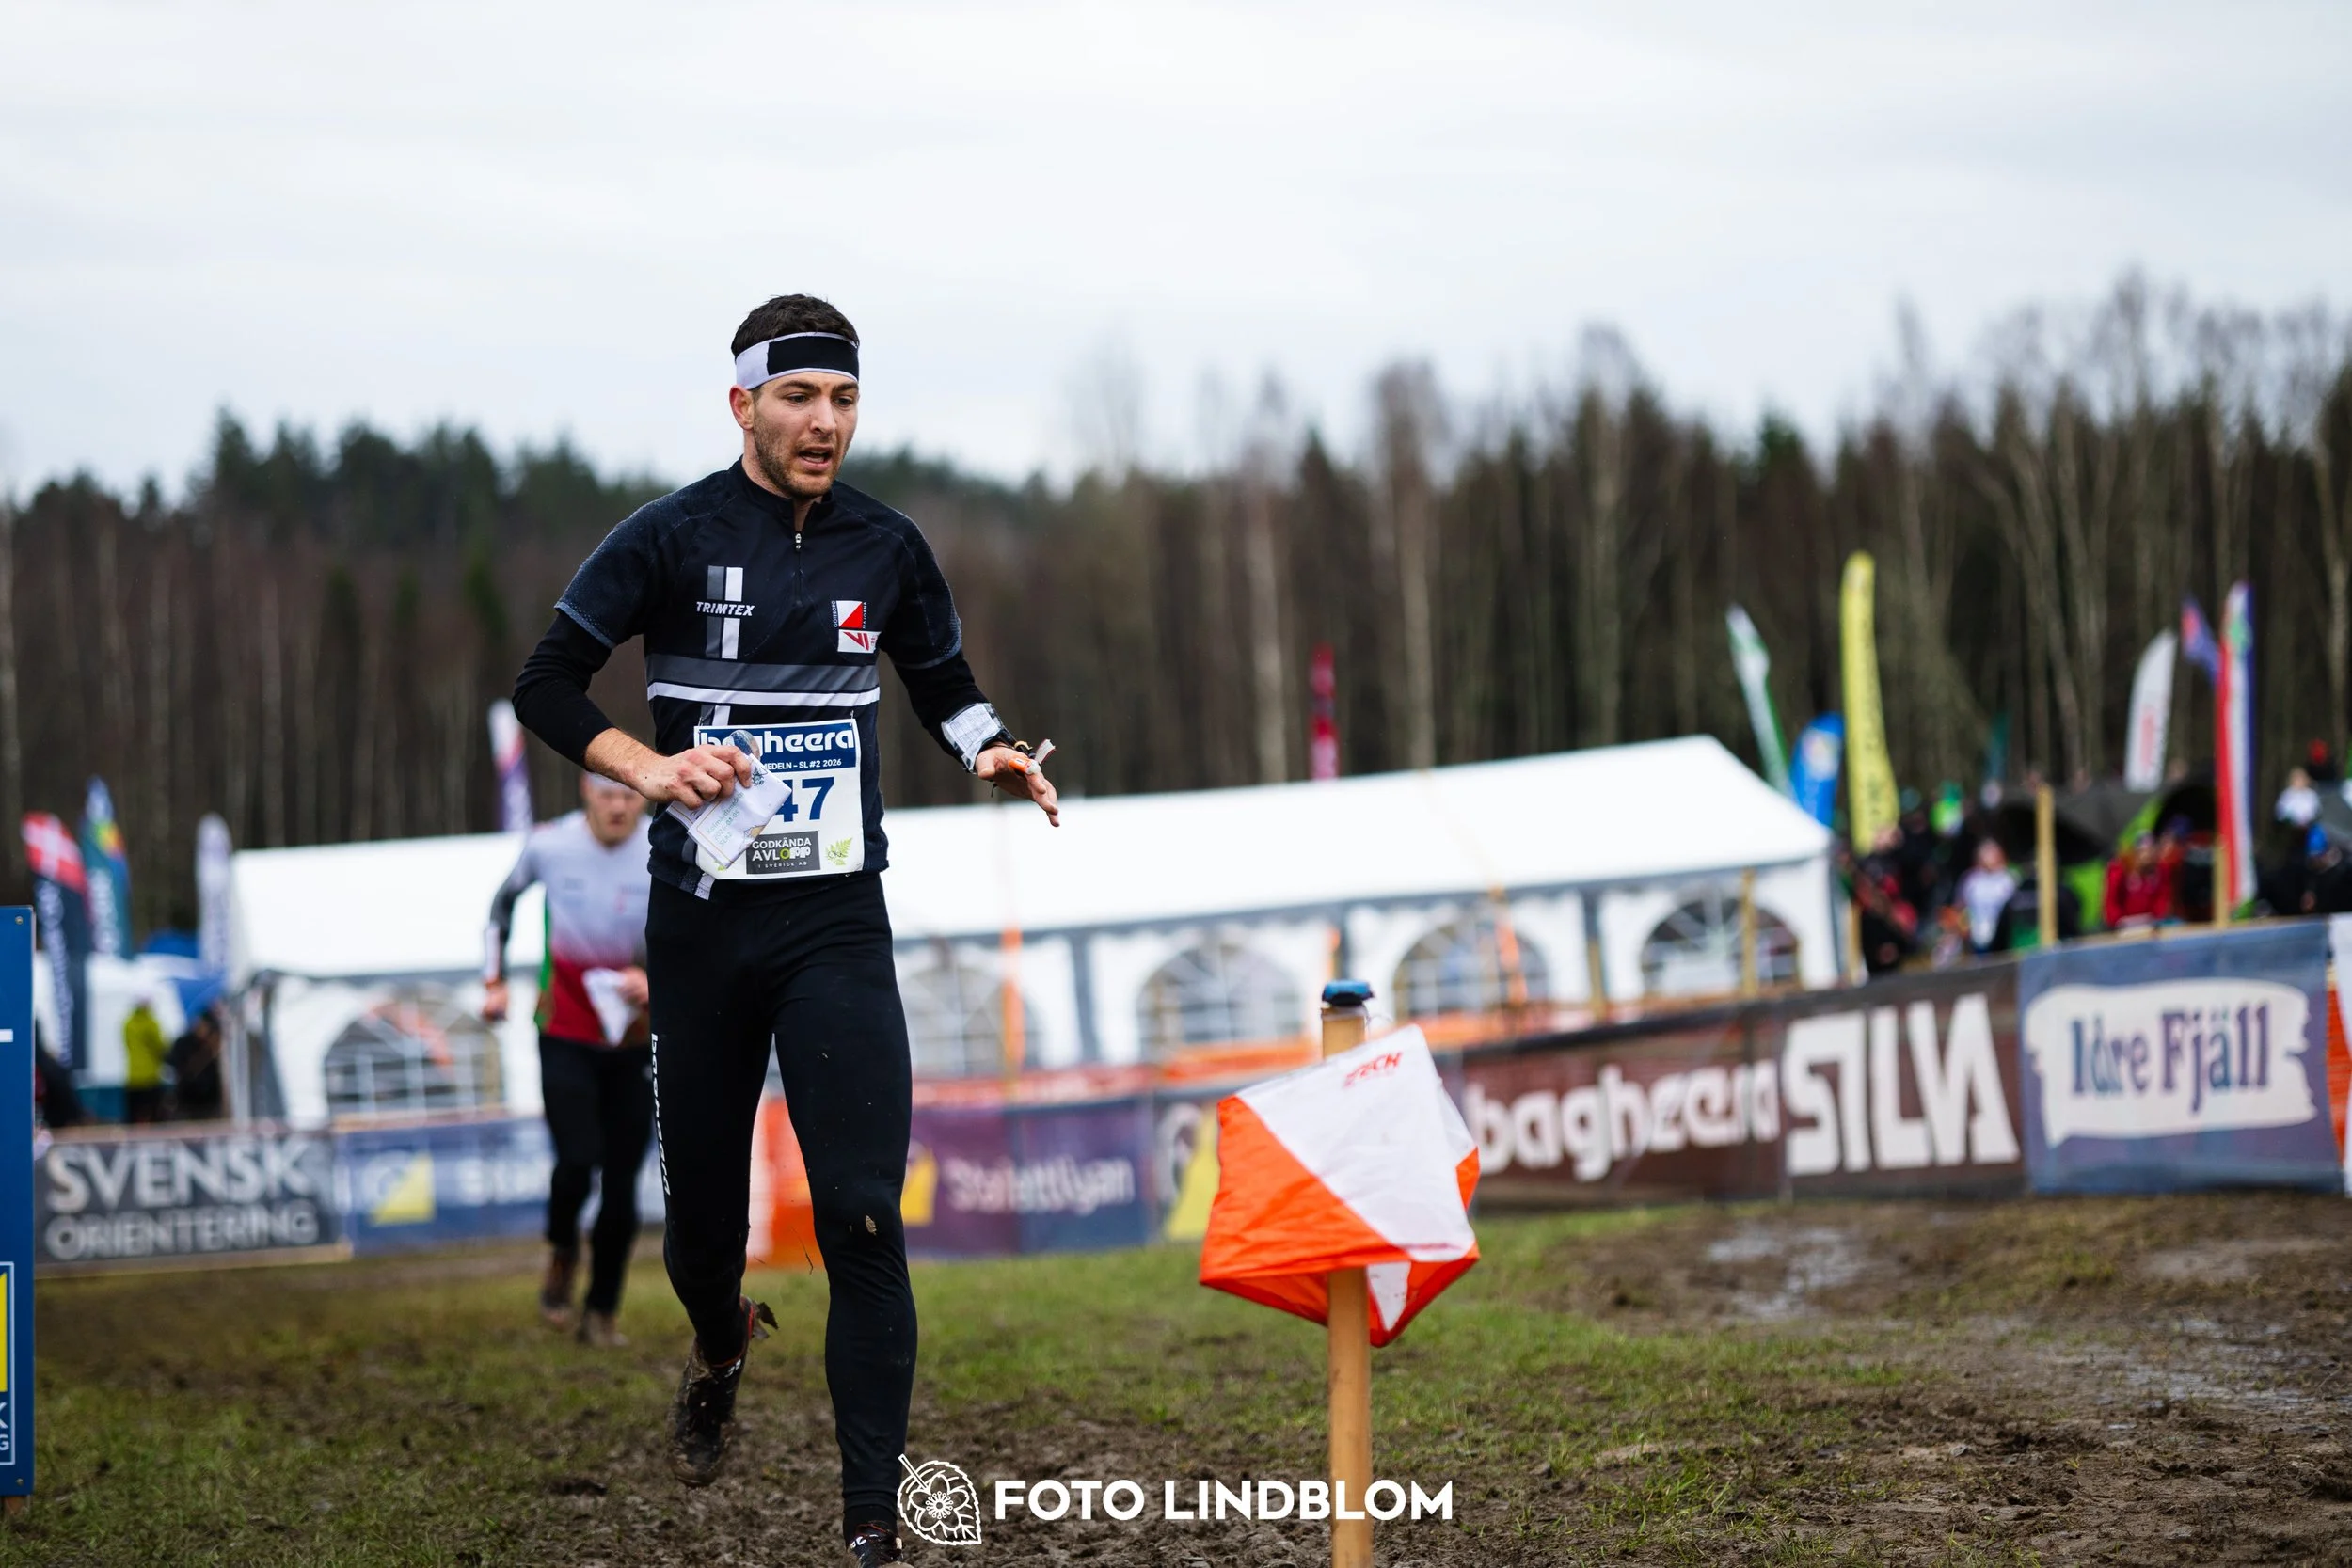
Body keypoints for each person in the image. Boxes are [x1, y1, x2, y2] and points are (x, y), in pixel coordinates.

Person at [508, 293, 1058, 1568]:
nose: (826, 422)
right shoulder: (669, 534)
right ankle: (715, 1342)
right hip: (700, 927)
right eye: (801, 396)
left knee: (863, 1209)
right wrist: (644, 766)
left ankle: (872, 1519)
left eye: (846, 399)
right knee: (703, 1231)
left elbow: (942, 682)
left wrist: (995, 749)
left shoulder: (890, 544)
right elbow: (543, 679)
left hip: (835, 923)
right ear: (743, 400)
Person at [483, 772, 656, 1350]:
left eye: (628, 797)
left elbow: (697, 933)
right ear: (585, 793)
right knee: (578, 1159)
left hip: (634, 1039)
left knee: (625, 1182)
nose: (617, 807)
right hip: (563, 1030)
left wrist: (653, 977)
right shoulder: (549, 845)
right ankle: (562, 1249)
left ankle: (602, 1310)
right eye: (607, 795)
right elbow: (500, 907)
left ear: (643, 799)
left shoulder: (663, 848)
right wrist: (494, 981)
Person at [1956, 840, 2018, 955]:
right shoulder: (1971, 880)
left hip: (2003, 936)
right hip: (1978, 937)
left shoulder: (2009, 878)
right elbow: (1962, 907)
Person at [167, 1006, 227, 1121]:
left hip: (209, 1099)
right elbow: (173, 1062)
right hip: (187, 1098)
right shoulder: (183, 1043)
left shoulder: (212, 1045)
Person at [2104, 833, 2173, 929]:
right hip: (2122, 926)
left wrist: (2156, 917)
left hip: (2150, 925)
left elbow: (2162, 897)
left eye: (2150, 851)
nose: (2147, 855)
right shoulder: (2121, 869)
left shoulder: (2160, 870)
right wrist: (2117, 920)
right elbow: (2111, 899)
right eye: (2143, 851)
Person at [121, 995, 167, 1123]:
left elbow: (127, 1044)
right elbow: (161, 1047)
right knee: (155, 1116)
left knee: (133, 1116)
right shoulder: (152, 1023)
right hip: (150, 1076)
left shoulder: (128, 1023)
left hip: (132, 1076)